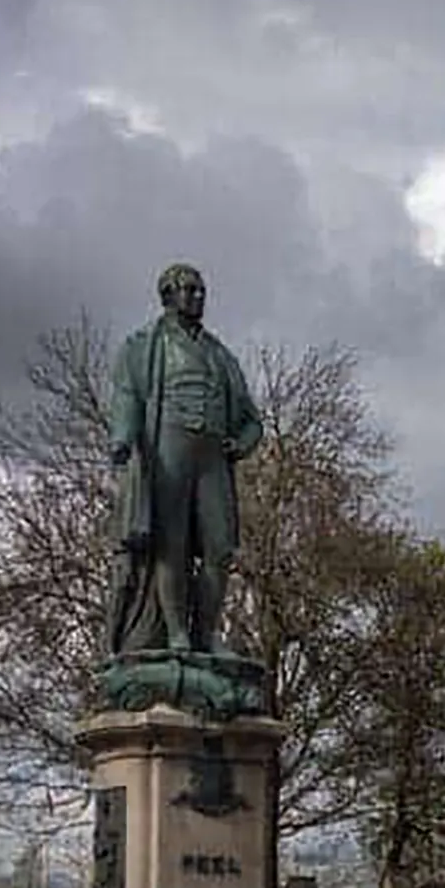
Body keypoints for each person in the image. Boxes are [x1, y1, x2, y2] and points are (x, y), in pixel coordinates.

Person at [106, 263, 263, 656]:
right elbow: (128, 396)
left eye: (201, 290)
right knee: (169, 544)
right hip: (167, 448)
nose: (197, 297)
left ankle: (205, 633)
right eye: (189, 290)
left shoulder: (219, 354)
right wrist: (123, 439)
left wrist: (241, 444)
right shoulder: (144, 346)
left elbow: (250, 419)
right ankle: (176, 632)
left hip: (212, 455)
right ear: (167, 296)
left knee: (220, 547)